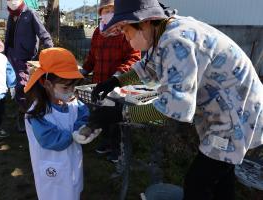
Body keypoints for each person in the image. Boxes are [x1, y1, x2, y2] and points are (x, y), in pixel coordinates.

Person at [91, 0, 263, 199]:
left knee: (198, 183)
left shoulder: (176, 41)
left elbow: (172, 109)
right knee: (220, 178)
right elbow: (147, 68)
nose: (125, 36)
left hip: (237, 116)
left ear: (144, 22)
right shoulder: (164, 32)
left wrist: (120, 113)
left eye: (125, 29)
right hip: (228, 112)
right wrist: (114, 81)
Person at [24, 48, 101, 200]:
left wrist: (83, 128)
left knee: (72, 191)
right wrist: (74, 135)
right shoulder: (38, 112)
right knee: (55, 194)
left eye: (73, 86)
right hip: (52, 166)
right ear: (47, 84)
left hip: (71, 162)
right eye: (65, 87)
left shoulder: (72, 102)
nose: (71, 91)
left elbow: (83, 115)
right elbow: (49, 138)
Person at [81, 0, 141, 162]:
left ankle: (118, 148)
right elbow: (92, 57)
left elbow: (134, 57)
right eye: (104, 10)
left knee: (117, 118)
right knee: (101, 113)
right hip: (99, 82)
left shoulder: (125, 32)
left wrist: (119, 74)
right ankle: (106, 142)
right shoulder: (97, 32)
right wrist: (84, 70)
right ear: (100, 13)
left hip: (119, 84)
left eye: (111, 10)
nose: (107, 13)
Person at [4, 0, 54, 132]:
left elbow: (43, 34)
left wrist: (51, 51)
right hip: (11, 55)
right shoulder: (11, 14)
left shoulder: (30, 13)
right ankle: (22, 110)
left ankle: (24, 114)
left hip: (25, 57)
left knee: (23, 86)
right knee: (15, 85)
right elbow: (9, 35)